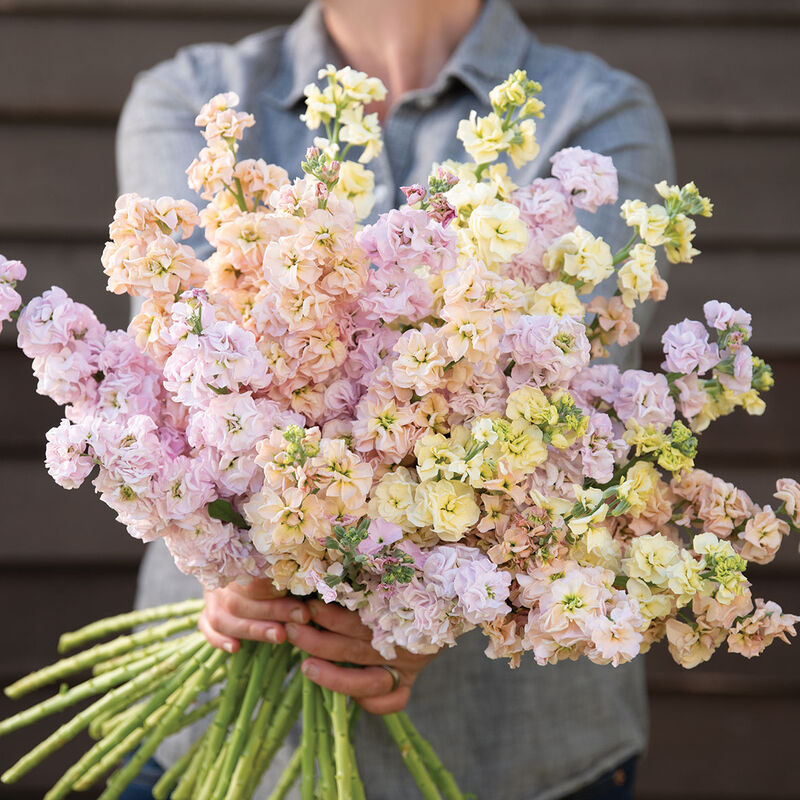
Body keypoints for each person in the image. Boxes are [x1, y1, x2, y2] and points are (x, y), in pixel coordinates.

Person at [117, 0, 674, 797]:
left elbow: (558, 404)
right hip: (210, 738)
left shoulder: (595, 109)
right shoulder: (198, 95)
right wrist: (242, 564)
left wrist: (429, 607)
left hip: (512, 758)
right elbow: (178, 357)